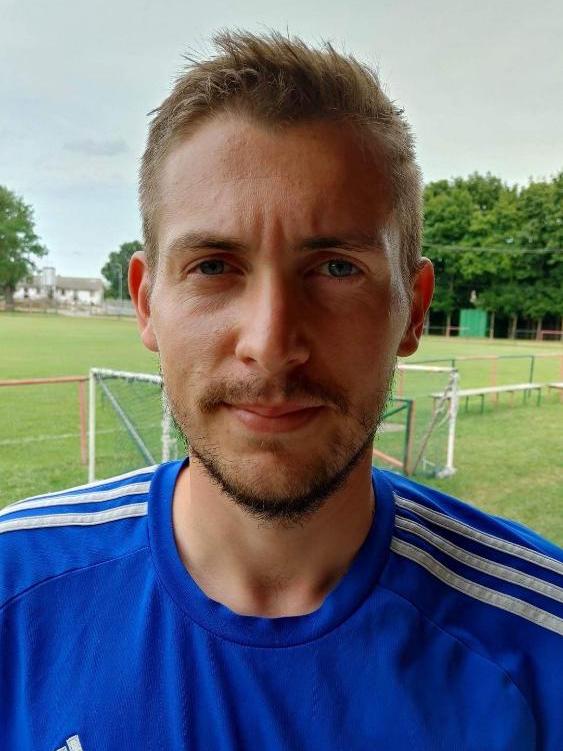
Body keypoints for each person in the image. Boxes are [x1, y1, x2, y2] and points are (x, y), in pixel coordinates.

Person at [1, 31, 561, 751]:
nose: (269, 342)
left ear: (414, 309)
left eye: (335, 268)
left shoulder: (539, 646)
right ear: (145, 303)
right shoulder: (15, 591)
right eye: (213, 266)